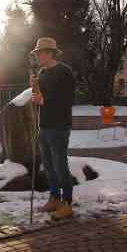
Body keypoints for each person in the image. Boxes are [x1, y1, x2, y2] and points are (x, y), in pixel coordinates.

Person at [30, 37, 76, 219]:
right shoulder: (42, 73)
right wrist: (34, 89)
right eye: (37, 53)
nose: (38, 56)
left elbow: (67, 100)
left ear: (49, 53)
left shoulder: (64, 72)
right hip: (45, 126)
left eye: (40, 53)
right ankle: (55, 198)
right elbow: (40, 97)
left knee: (60, 166)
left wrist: (44, 100)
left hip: (59, 126)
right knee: (48, 166)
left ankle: (67, 203)